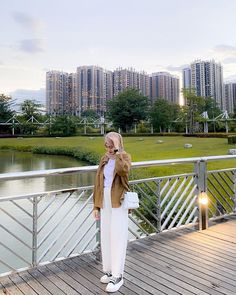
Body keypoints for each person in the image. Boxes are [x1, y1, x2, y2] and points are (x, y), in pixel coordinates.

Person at [93, 132, 131, 293]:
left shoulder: (124, 157)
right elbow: (98, 182)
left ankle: (118, 275)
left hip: (118, 201)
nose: (108, 148)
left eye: (111, 145)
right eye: (107, 145)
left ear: (118, 144)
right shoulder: (104, 159)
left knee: (118, 237)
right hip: (104, 200)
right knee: (106, 236)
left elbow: (124, 172)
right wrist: (96, 205)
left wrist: (118, 152)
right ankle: (109, 271)